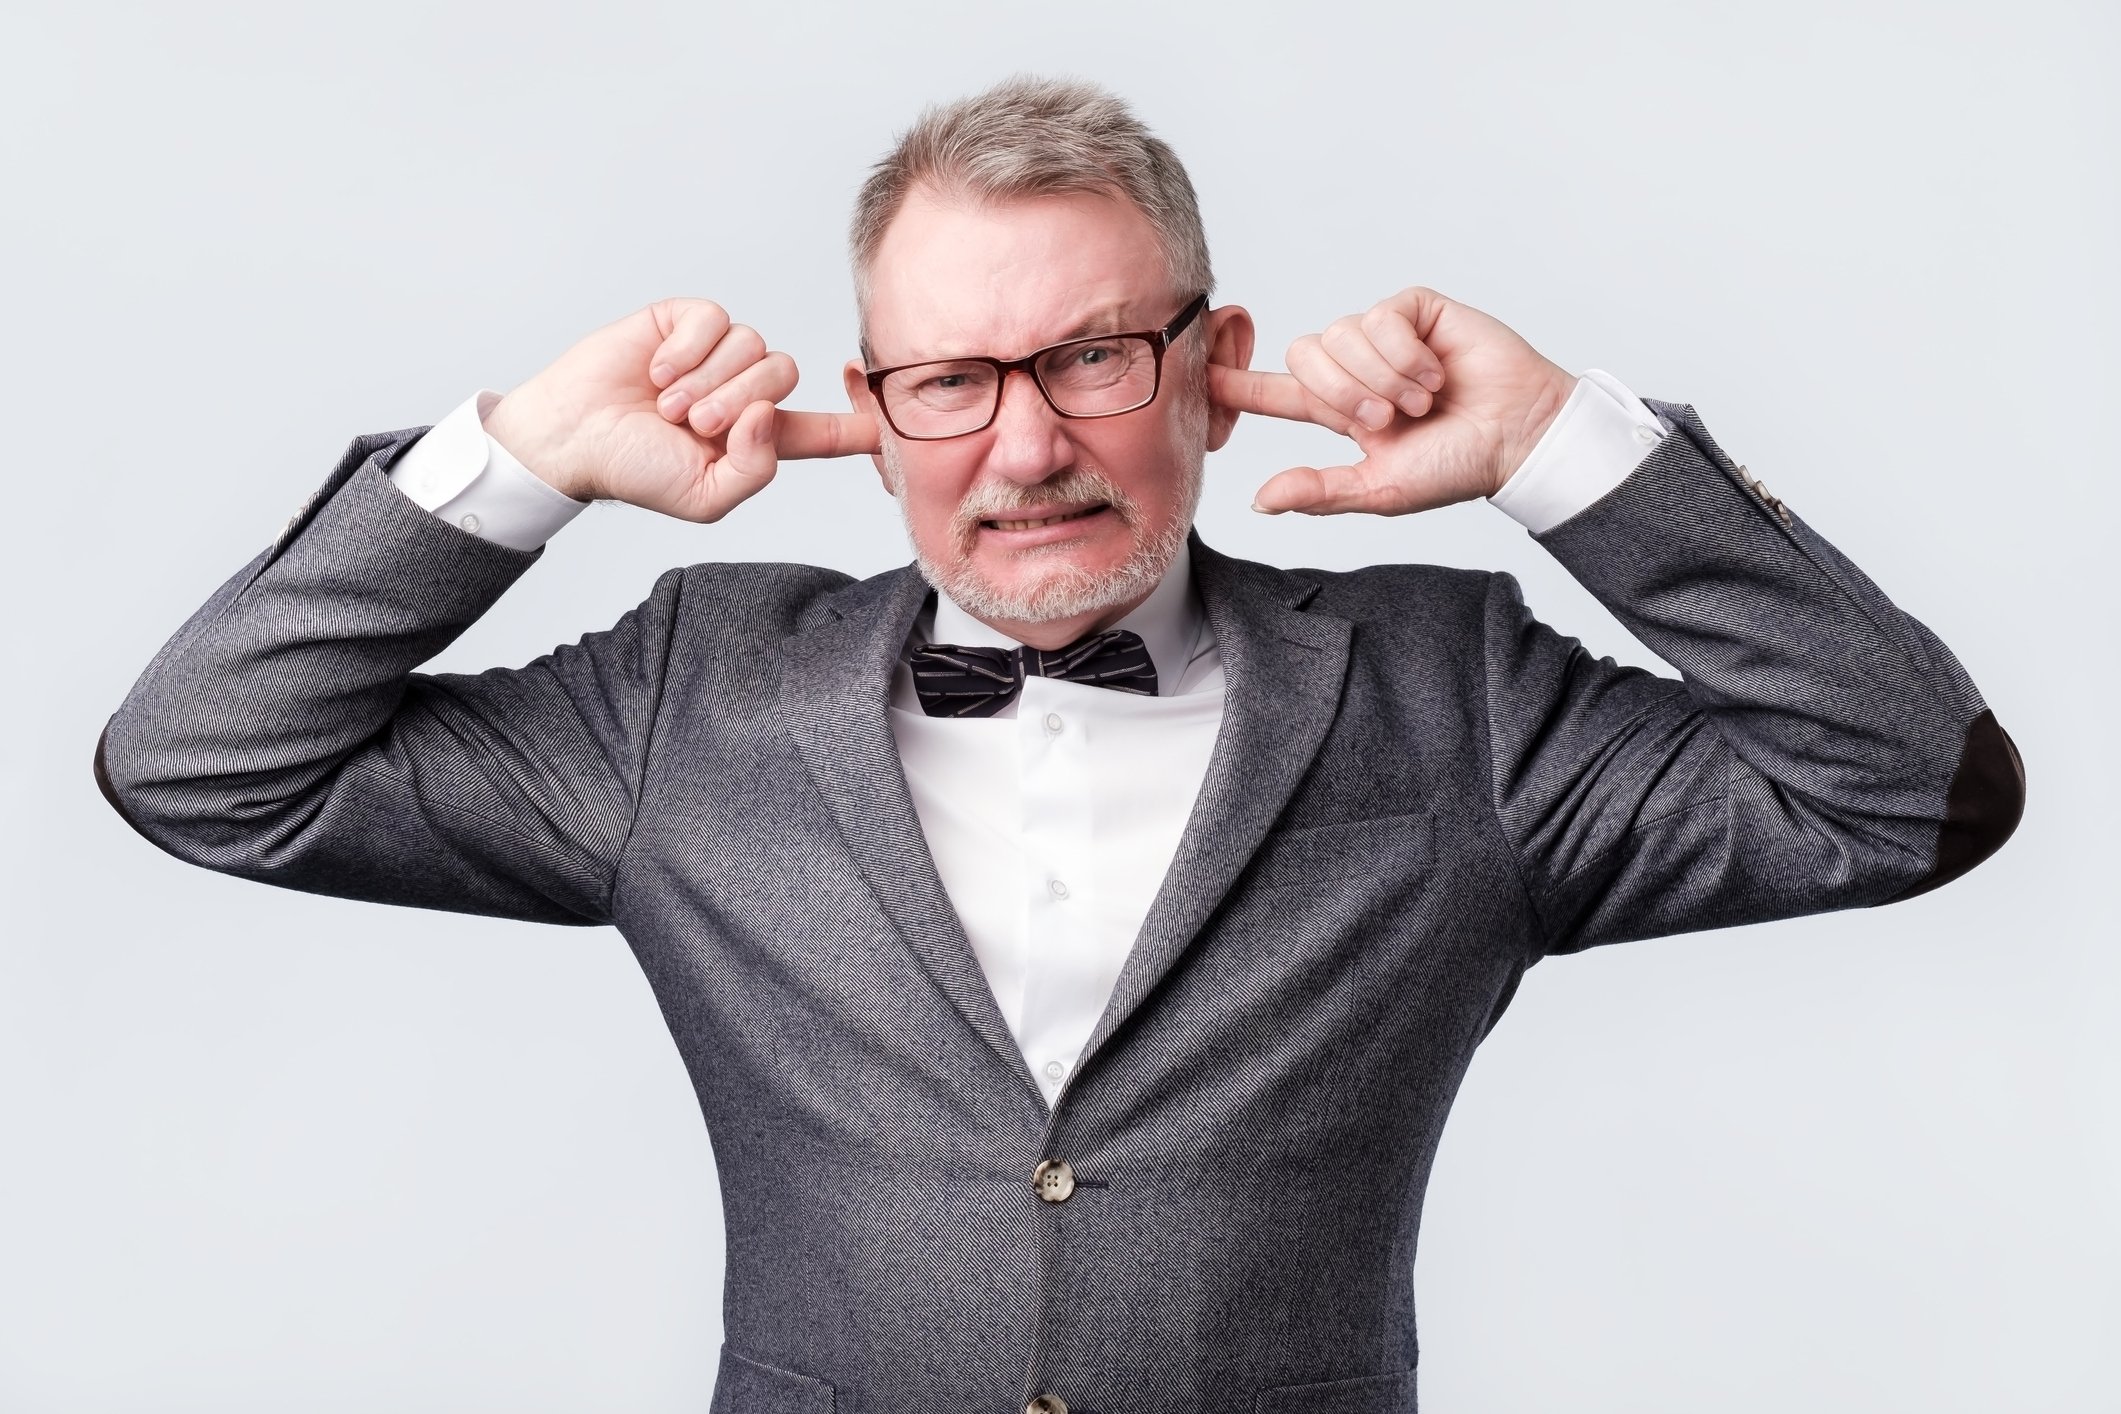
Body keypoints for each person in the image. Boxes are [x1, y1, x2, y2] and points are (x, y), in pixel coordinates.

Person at [94, 75, 2022, 1414]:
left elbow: (1909, 791)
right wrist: (513, 459)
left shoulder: (1461, 699)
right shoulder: (696, 691)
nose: (1025, 449)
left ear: (1208, 359)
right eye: (950, 379)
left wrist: (1559, 454)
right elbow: (204, 764)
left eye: (1094, 357)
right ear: (872, 401)